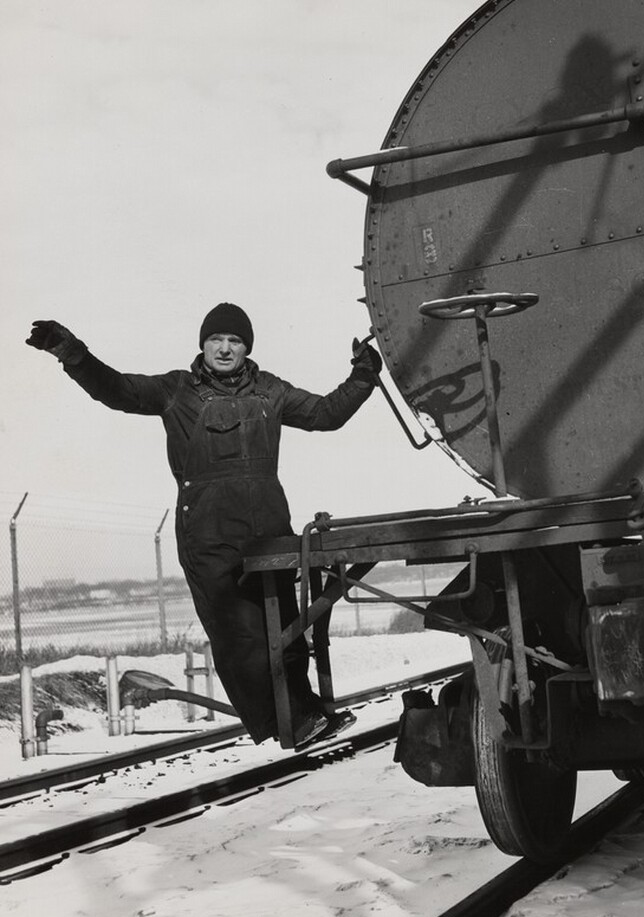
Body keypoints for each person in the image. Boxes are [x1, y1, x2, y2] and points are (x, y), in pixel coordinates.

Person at [26, 303, 382, 747]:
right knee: (240, 639)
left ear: (247, 347)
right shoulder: (177, 391)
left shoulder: (270, 391)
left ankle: (304, 715)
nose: (225, 348)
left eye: (235, 341)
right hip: (209, 535)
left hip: (270, 530)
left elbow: (326, 414)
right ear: (203, 344)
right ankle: (284, 724)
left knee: (285, 631)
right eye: (217, 339)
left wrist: (363, 377)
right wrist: (74, 355)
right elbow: (117, 390)